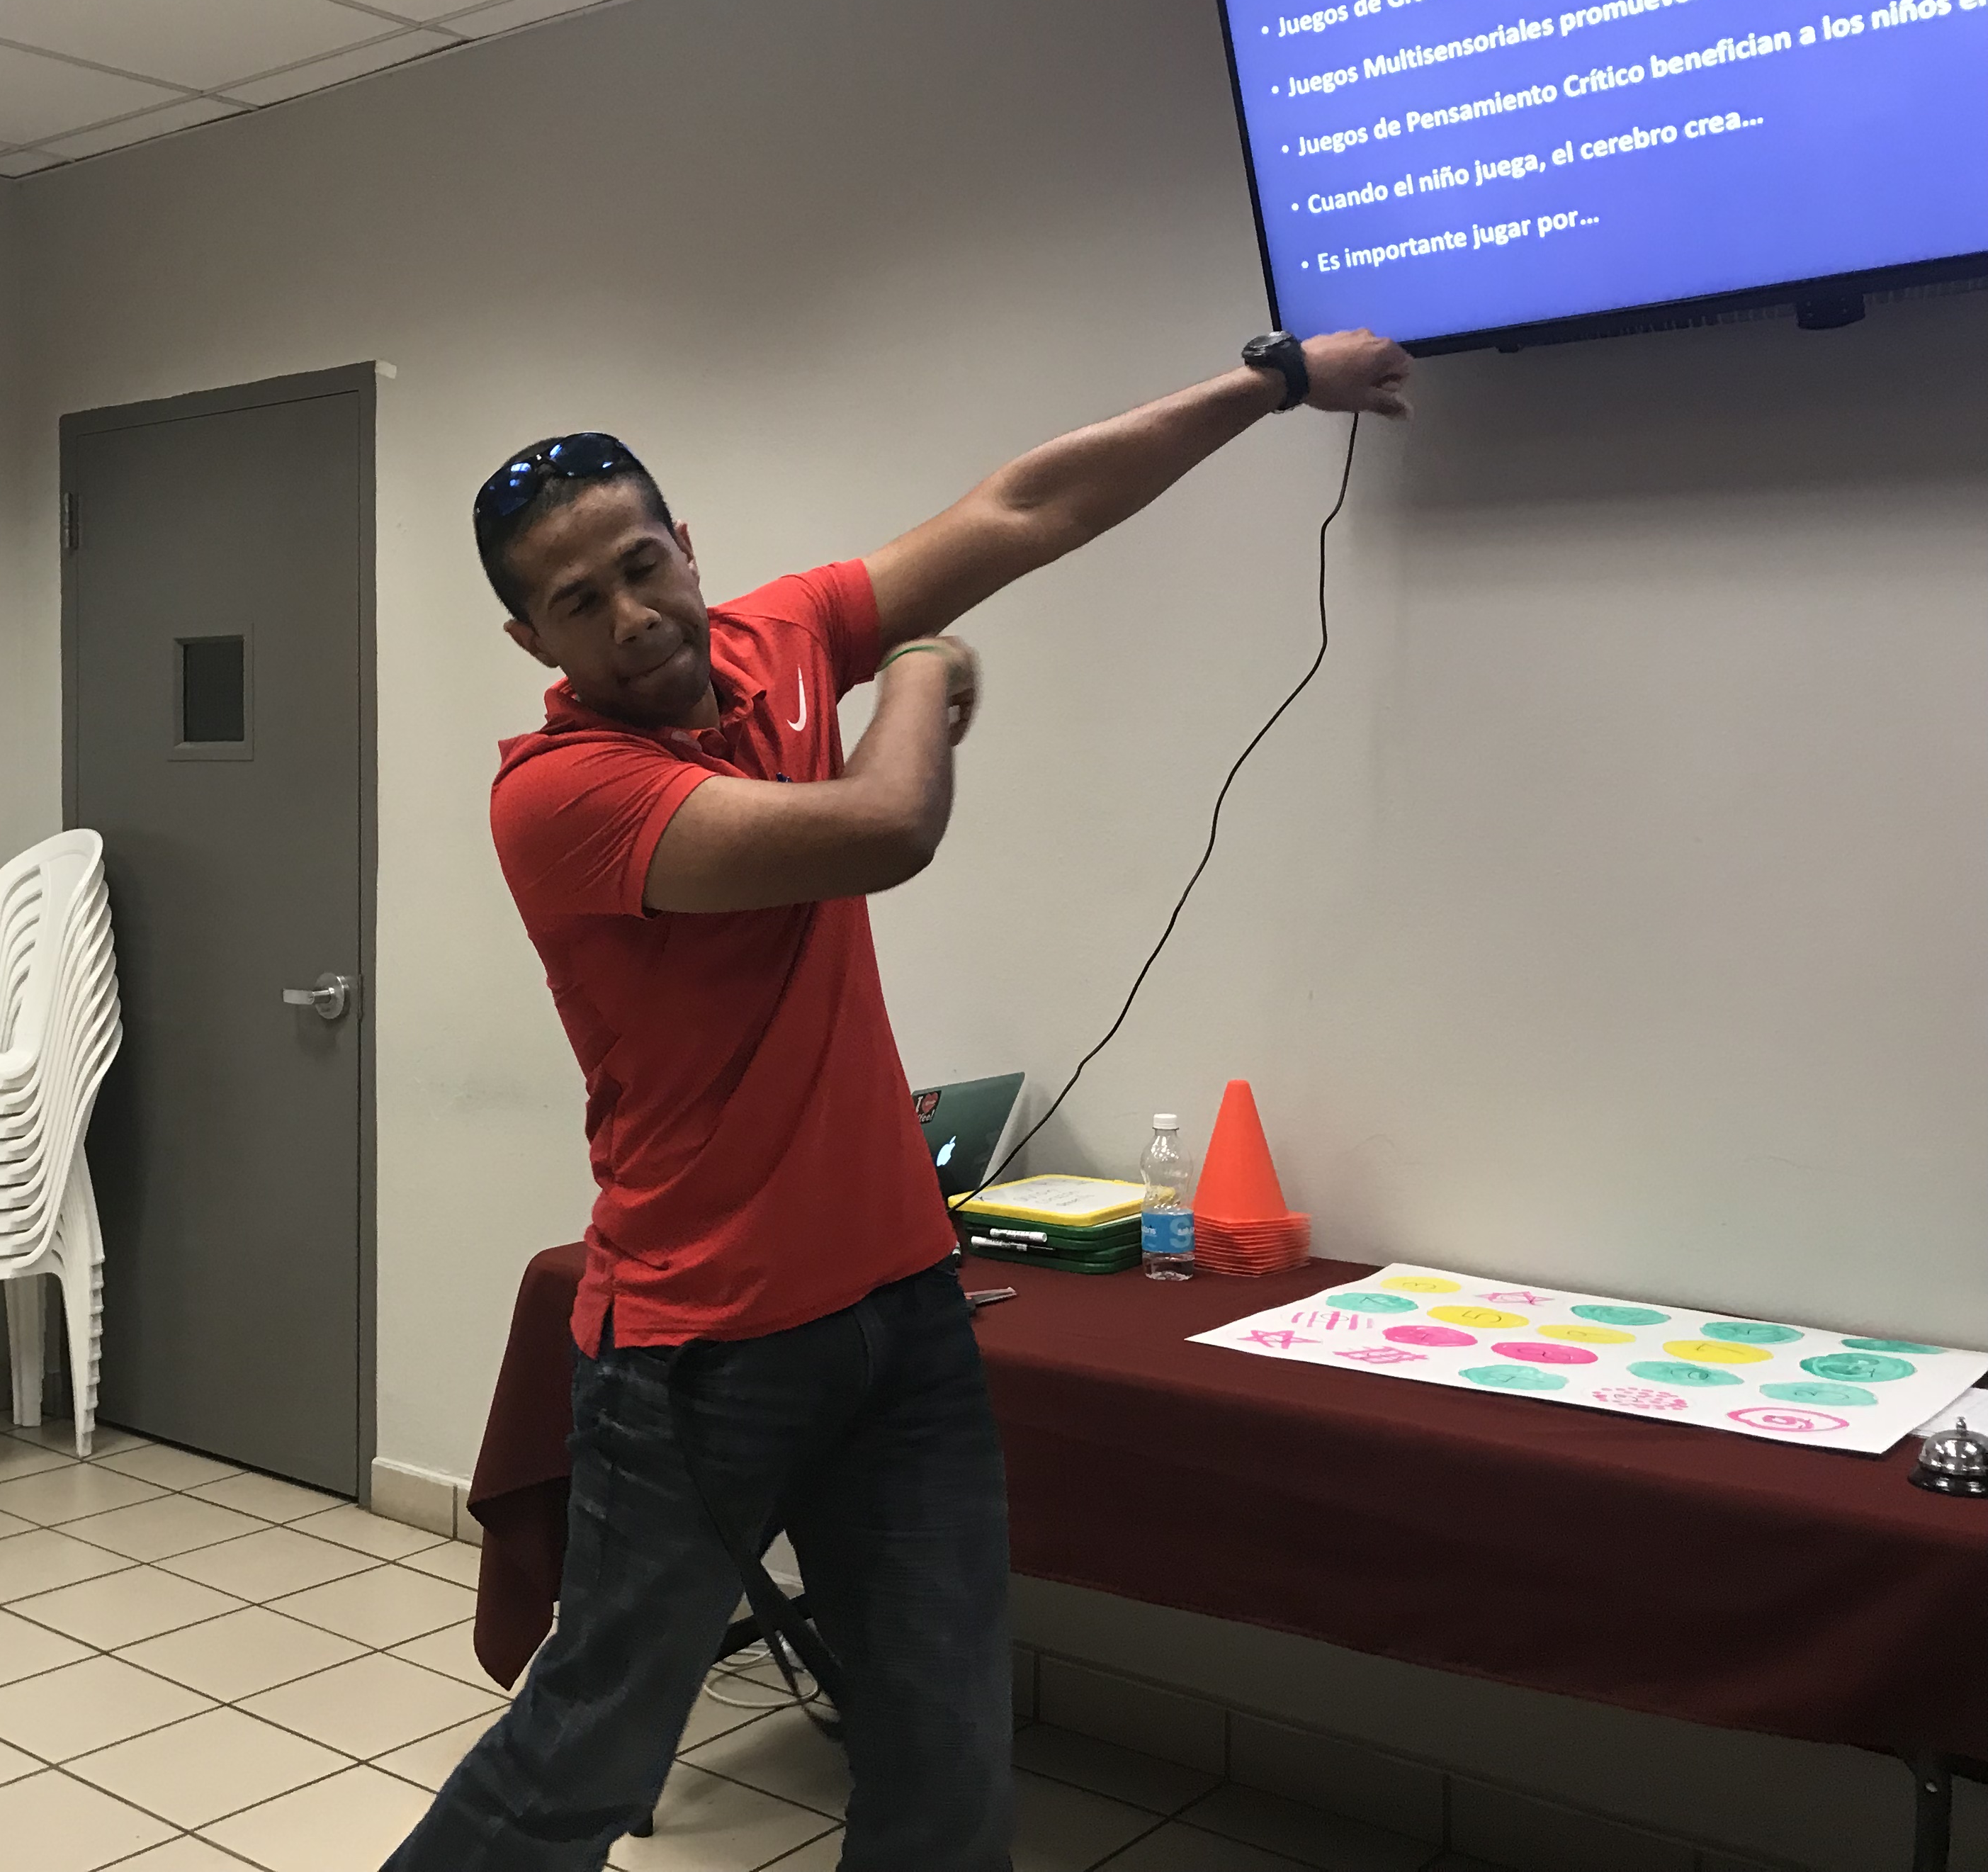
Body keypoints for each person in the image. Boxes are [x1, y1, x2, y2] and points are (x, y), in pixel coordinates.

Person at [385, 329, 1414, 1869]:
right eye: (577, 601)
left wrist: (1271, 383)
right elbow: (883, 825)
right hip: (701, 1354)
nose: (632, 616)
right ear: (532, 636)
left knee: (945, 1755)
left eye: (643, 565)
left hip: (901, 1319)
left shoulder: (780, 638)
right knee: (585, 1756)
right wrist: (927, 662)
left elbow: (1025, 508)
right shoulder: (558, 794)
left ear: (686, 547)